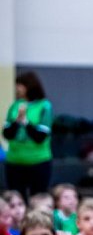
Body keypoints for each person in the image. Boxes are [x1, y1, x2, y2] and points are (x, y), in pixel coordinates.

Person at [3, 71, 54, 200]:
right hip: (15, 161)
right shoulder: (15, 106)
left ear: (28, 86)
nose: (17, 89)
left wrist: (26, 122)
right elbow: (7, 134)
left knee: (37, 198)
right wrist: (17, 121)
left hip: (38, 161)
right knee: (16, 199)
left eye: (20, 85)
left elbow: (40, 137)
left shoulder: (44, 106)